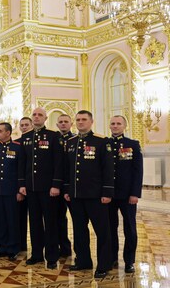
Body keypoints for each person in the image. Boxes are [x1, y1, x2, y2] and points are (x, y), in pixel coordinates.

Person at [63, 110, 114, 278]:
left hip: (96, 195)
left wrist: (107, 192)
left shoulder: (101, 141)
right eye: (78, 120)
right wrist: (67, 189)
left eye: (84, 119)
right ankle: (83, 260)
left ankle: (104, 264)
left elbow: (108, 169)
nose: (80, 122)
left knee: (102, 231)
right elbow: (68, 169)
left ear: (91, 122)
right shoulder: (71, 142)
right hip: (76, 195)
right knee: (79, 230)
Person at [19, 108, 63, 269]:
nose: (36, 117)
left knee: (50, 222)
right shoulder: (26, 137)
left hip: (48, 188)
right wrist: (22, 184)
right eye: (34, 115)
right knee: (35, 222)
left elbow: (58, 162)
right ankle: (36, 254)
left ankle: (51, 256)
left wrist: (56, 184)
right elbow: (22, 163)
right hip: (31, 187)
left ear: (45, 118)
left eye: (40, 115)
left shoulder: (53, 136)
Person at [108, 115, 143, 274]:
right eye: (113, 124)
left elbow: (138, 171)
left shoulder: (132, 144)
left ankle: (129, 261)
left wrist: (135, 193)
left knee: (130, 228)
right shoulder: (105, 144)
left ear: (124, 126)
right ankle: (111, 257)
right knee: (110, 228)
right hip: (109, 194)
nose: (115, 126)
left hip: (128, 194)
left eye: (118, 124)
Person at [0, 122, 24, 260]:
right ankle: (2, 247)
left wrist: (20, 190)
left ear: (8, 133)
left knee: (12, 219)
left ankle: (13, 248)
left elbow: (21, 170)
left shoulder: (18, 147)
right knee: (0, 220)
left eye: (0, 131)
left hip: (12, 191)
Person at [55, 114, 74, 257]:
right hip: (57, 186)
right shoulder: (54, 139)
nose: (63, 124)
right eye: (60, 122)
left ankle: (72, 249)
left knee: (77, 219)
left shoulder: (75, 140)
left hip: (72, 186)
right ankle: (61, 246)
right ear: (56, 125)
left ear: (71, 124)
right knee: (58, 218)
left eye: (65, 122)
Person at [15, 117, 34, 252]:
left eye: (27, 124)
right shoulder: (16, 143)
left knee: (35, 220)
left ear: (32, 125)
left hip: (35, 186)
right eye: (22, 125)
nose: (24, 127)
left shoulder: (37, 140)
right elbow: (17, 168)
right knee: (20, 218)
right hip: (21, 187)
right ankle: (21, 244)